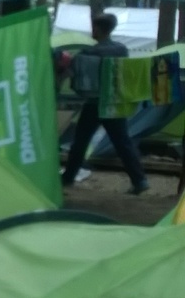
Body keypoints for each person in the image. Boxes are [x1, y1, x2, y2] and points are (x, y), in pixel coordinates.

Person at [62, 13, 149, 194]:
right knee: (122, 143)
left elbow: (74, 71)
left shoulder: (88, 52)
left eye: (94, 28)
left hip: (94, 104)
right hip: (114, 103)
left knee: (80, 142)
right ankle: (140, 180)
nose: (92, 31)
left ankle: (68, 177)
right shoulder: (121, 49)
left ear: (99, 29)